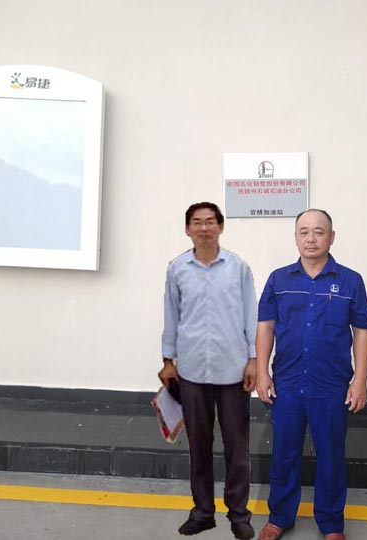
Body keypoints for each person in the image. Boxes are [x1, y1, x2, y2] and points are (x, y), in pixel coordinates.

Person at [255, 209, 367, 540]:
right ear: (296, 237)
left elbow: (361, 333)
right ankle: (280, 517)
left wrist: (360, 380)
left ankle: (332, 523)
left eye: (319, 232)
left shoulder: (350, 281)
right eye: (304, 232)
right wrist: (262, 373)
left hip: (331, 386)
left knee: (331, 456)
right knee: (284, 455)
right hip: (287, 384)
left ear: (331, 237)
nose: (311, 238)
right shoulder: (279, 280)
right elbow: (265, 328)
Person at [159, 202, 257, 540]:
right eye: (197, 222)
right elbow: (171, 315)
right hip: (192, 372)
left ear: (220, 227)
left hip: (233, 371)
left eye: (210, 221)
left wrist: (253, 359)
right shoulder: (177, 269)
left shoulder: (238, 268)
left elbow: (251, 316)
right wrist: (168, 360)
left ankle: (239, 515)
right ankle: (202, 512)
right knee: (198, 446)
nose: (204, 228)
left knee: (237, 448)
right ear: (188, 229)